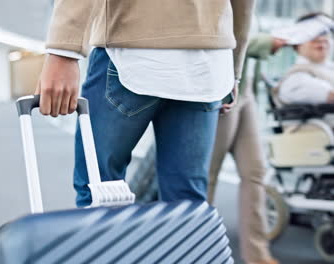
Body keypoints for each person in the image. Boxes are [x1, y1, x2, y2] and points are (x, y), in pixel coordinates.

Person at [38, 1, 254, 211]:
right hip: (207, 64)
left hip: (131, 51)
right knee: (186, 207)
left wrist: (63, 51)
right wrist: (233, 69)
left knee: (100, 191)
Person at [207, 33, 286, 264]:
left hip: (246, 88)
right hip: (222, 87)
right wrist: (267, 43)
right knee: (207, 176)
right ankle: (199, 254)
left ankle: (257, 255)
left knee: (255, 172)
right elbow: (223, 35)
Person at [278, 13, 334, 105]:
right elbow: (329, 94)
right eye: (313, 33)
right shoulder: (296, 78)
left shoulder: (329, 69)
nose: (321, 39)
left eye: (325, 32)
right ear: (297, 44)